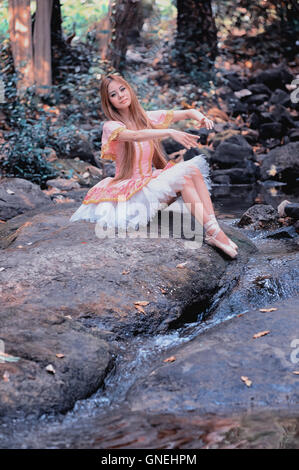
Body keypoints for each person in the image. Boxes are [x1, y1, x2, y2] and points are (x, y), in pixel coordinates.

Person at [69, 74, 238, 259]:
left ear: (129, 89)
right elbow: (134, 136)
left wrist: (202, 117)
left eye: (122, 89)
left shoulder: (146, 117)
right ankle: (215, 233)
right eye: (113, 94)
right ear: (108, 101)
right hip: (133, 194)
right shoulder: (111, 126)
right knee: (184, 179)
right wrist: (170, 132)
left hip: (150, 183)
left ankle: (214, 230)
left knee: (193, 170)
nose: (121, 95)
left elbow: (187, 113)